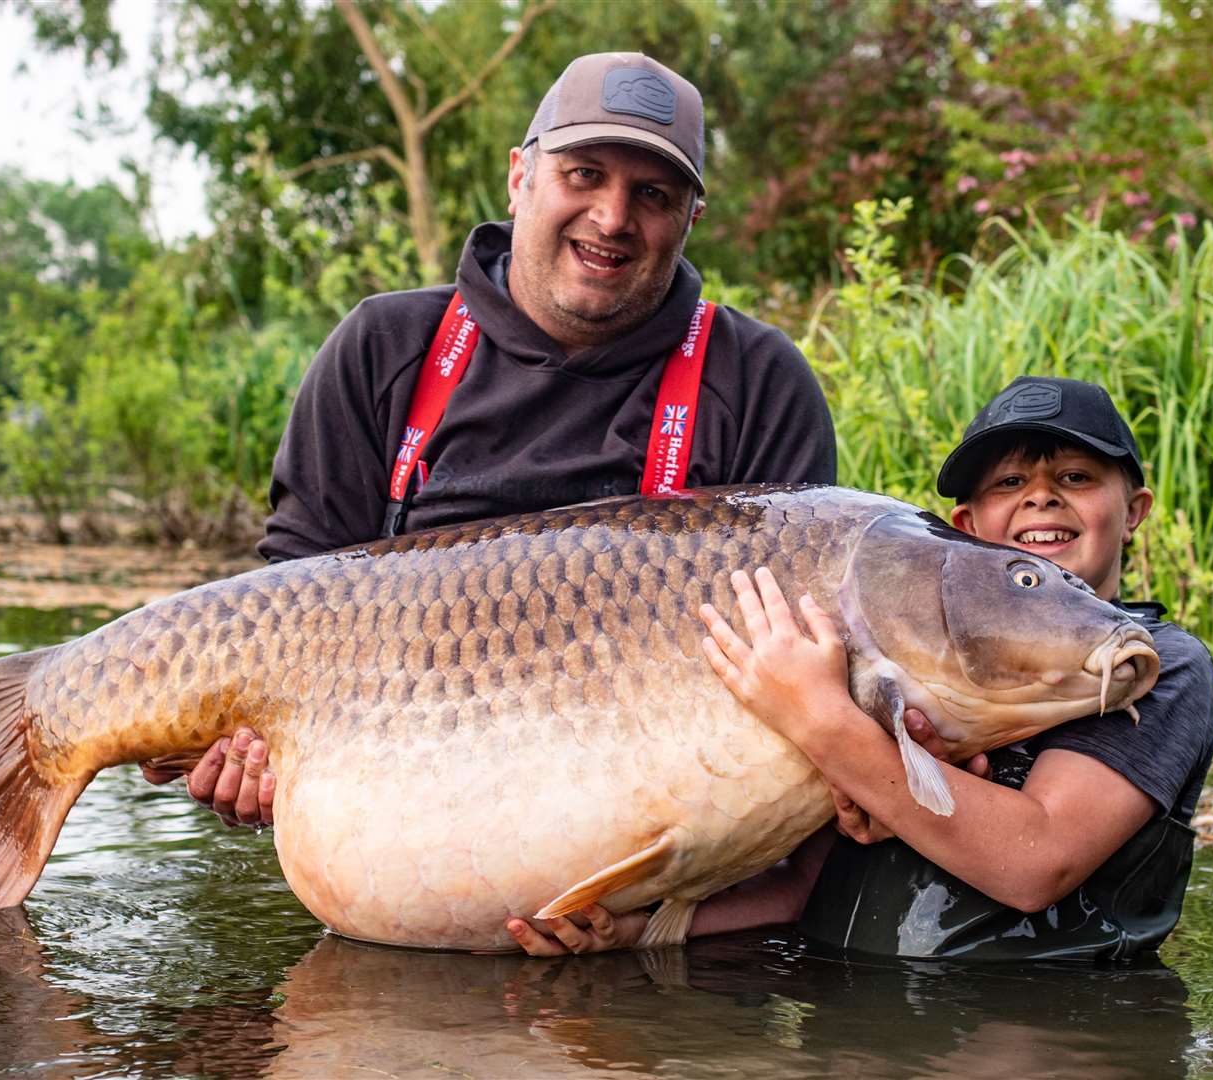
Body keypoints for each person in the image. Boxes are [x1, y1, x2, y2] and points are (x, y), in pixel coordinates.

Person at [146, 52, 837, 824]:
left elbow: (798, 667)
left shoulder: (758, 382)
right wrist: (249, 748)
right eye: (583, 175)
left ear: (690, 219)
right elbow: (290, 598)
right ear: (520, 176)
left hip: (656, 817)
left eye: (651, 194)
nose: (611, 217)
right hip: (402, 809)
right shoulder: (385, 346)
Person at [512, 375, 1213, 961]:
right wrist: (640, 933)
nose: (1040, 497)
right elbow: (801, 892)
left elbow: (1033, 863)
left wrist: (818, 720)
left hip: (1029, 1029)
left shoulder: (1162, 666)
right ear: (963, 532)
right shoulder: (896, 677)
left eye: (1075, 476)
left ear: (1132, 512)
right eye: (1009, 483)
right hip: (844, 1023)